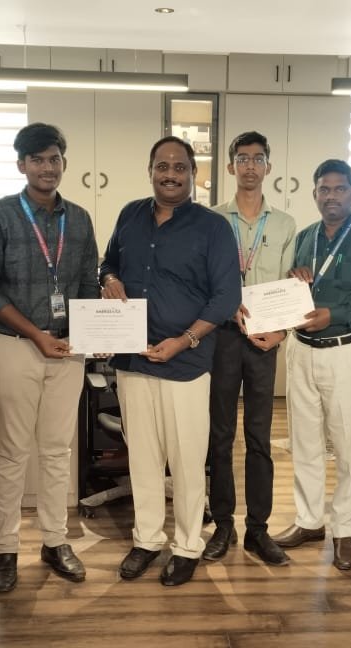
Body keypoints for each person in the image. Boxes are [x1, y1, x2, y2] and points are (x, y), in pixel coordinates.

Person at [100, 136, 241, 587]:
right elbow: (108, 262)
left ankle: (186, 546)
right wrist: (110, 278)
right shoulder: (129, 215)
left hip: (186, 365)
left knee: (186, 460)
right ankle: (146, 540)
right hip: (133, 359)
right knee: (142, 458)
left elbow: (227, 296)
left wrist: (184, 340)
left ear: (193, 174)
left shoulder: (213, 227)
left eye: (180, 167)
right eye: (162, 166)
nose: (171, 175)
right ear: (150, 171)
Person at [0, 122, 98, 592]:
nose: (47, 167)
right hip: (15, 346)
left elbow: (88, 282)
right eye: (38, 159)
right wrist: (35, 334)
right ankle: (6, 548)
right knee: (12, 451)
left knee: (58, 449)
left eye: (54, 158)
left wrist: (90, 332)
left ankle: (54, 540)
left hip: (67, 348)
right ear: (21, 164)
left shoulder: (79, 218)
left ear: (64, 162)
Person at [270, 159, 351, 571]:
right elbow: (295, 288)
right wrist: (294, 277)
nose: (331, 196)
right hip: (301, 350)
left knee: (348, 446)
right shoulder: (305, 237)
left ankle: (345, 530)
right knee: (305, 443)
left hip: (345, 350)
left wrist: (336, 314)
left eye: (339, 189)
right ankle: (309, 521)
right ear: (314, 194)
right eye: (324, 189)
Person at [203, 131, 296, 566]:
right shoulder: (211, 220)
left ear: (268, 167)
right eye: (242, 159)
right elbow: (204, 280)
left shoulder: (285, 224)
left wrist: (282, 333)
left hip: (264, 339)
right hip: (222, 335)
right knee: (220, 435)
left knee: (259, 437)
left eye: (258, 159)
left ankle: (258, 529)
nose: (250, 166)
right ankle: (223, 524)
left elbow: (291, 287)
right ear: (230, 167)